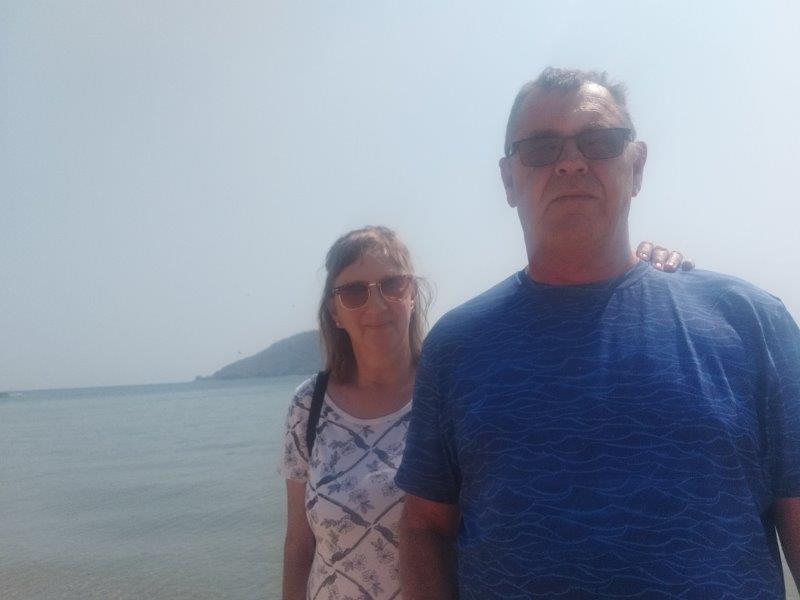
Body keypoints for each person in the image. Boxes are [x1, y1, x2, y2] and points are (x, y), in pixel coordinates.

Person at [396, 67, 800, 599]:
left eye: (600, 141)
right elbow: (425, 525)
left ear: (637, 166)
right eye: (541, 148)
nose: (571, 162)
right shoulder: (455, 348)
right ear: (508, 180)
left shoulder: (753, 323)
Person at [279, 226, 688, 599]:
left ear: (412, 294)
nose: (376, 304)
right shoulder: (308, 406)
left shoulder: (454, 382)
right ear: (334, 311)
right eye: (354, 292)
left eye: (392, 284)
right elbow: (299, 544)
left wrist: (632, 275)